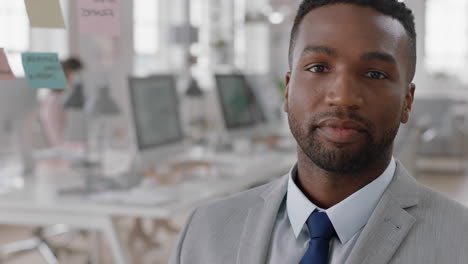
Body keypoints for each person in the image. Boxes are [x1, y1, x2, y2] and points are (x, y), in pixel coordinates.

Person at [170, 1, 468, 263]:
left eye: (375, 73)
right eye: (318, 68)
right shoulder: (203, 229)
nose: (342, 96)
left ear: (407, 102)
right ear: (287, 90)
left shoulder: (460, 240)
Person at [39, 57, 83, 147]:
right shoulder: (54, 101)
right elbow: (58, 142)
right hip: (62, 151)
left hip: (64, 149)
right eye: (71, 76)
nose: (74, 80)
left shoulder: (53, 99)